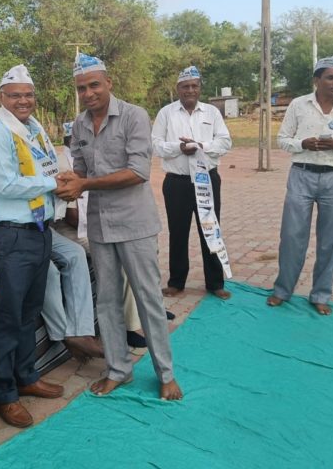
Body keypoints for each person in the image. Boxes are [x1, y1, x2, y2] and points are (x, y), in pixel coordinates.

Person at [56, 53, 182, 401]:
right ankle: (118, 370)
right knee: (108, 301)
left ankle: (166, 374)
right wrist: (67, 179)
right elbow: (80, 169)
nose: (88, 93)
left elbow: (138, 172)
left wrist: (84, 184)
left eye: (94, 85)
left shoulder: (134, 115)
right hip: (100, 225)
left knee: (148, 299)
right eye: (81, 88)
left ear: (108, 83)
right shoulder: (80, 124)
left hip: (135, 223)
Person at [0, 64, 65, 428]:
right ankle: (4, 393)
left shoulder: (34, 130)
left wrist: (56, 184)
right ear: (1, 98)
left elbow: (48, 169)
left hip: (39, 231)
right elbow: (5, 185)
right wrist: (54, 184)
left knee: (30, 312)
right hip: (12, 236)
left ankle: (26, 376)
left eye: (28, 95)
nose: (23, 101)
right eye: (15, 95)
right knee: (9, 317)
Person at [0, 165, 103, 362]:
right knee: (47, 269)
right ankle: (65, 335)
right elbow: (0, 216)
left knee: (75, 253)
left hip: (36, 230)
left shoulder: (24, 165)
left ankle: (82, 331)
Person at [267, 55, 333, 316]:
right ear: (316, 80)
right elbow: (282, 139)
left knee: (329, 240)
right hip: (302, 174)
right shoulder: (299, 105)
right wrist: (303, 144)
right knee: (292, 236)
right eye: (330, 77)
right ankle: (282, 290)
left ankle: (321, 294)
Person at [56, 122, 156, 349]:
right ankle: (128, 327)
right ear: (72, 142)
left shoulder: (91, 159)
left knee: (136, 246)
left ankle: (142, 314)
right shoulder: (63, 164)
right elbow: (72, 217)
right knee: (122, 259)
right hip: (72, 230)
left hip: (94, 222)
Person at [152, 66, 232, 299]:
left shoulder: (212, 113)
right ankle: (176, 282)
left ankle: (215, 283)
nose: (190, 90)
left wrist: (200, 146)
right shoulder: (166, 113)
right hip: (176, 183)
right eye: (185, 86)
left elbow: (225, 142)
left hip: (207, 181)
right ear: (178, 88)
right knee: (178, 232)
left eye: (194, 86)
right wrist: (179, 147)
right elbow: (155, 145)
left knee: (210, 230)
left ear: (200, 88)